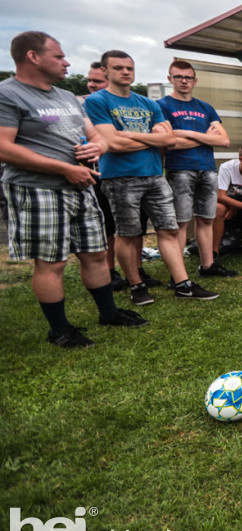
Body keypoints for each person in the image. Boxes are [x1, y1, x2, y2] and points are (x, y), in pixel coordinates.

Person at [0, 31, 148, 346]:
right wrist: (65, 168)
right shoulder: (8, 94)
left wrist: (96, 149)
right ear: (33, 57)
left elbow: (96, 136)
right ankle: (59, 329)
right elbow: (4, 148)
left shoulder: (67, 96)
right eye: (59, 56)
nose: (67, 63)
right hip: (38, 189)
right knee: (51, 262)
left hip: (81, 186)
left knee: (96, 253)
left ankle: (109, 314)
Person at [85, 50, 217, 305]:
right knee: (129, 234)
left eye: (129, 68)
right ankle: (137, 286)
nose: (125, 72)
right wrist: (149, 140)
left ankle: (183, 284)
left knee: (168, 230)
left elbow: (168, 140)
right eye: (118, 68)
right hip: (120, 177)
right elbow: (112, 144)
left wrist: (128, 135)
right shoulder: (98, 101)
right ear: (106, 71)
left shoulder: (148, 104)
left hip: (155, 176)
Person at [157, 59, 236, 277]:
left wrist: (186, 133)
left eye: (188, 77)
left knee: (206, 219)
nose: (183, 81)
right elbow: (167, 141)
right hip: (179, 169)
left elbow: (225, 140)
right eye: (178, 77)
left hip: (207, 169)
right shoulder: (162, 106)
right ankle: (179, 274)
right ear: (169, 79)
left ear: (195, 80)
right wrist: (206, 138)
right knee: (181, 222)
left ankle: (208, 265)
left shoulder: (205, 107)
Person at [80, 61, 125, 290]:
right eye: (90, 80)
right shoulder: (82, 105)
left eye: (97, 81)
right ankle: (108, 270)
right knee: (104, 224)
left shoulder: (120, 106)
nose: (91, 85)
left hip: (119, 172)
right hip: (92, 172)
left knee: (125, 226)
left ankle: (130, 267)